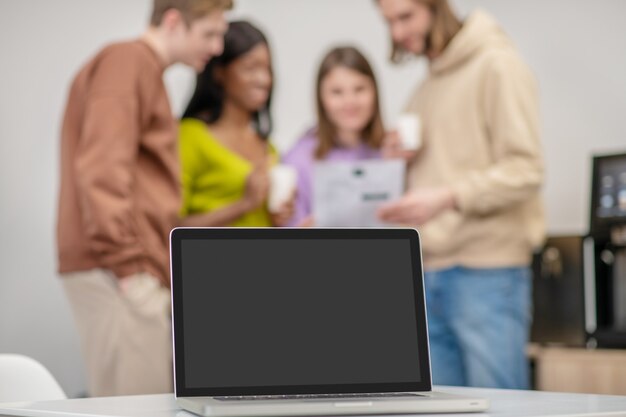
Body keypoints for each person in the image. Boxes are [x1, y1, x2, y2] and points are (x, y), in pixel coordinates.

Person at [57, 0, 232, 397]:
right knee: (137, 406)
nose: (218, 47)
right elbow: (102, 171)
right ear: (173, 22)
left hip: (127, 269)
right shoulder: (127, 63)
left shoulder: (142, 71)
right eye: (210, 33)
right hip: (118, 270)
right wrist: (129, 270)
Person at [375, 0, 545, 389]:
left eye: (405, 16)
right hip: (429, 273)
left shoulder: (497, 65)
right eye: (389, 22)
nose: (398, 33)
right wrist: (395, 162)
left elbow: (526, 170)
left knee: (501, 408)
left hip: (486, 272)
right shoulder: (425, 89)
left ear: (436, 7)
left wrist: (446, 197)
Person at [179, 21, 292, 227]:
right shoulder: (190, 137)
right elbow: (171, 228)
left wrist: (280, 220)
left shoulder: (269, 148)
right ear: (219, 72)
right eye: (250, 68)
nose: (263, 79)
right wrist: (243, 205)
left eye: (267, 69)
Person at [283, 46, 385, 226]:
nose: (350, 102)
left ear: (374, 92)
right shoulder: (298, 161)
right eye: (337, 92)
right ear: (321, 99)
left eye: (359, 89)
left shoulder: (387, 152)